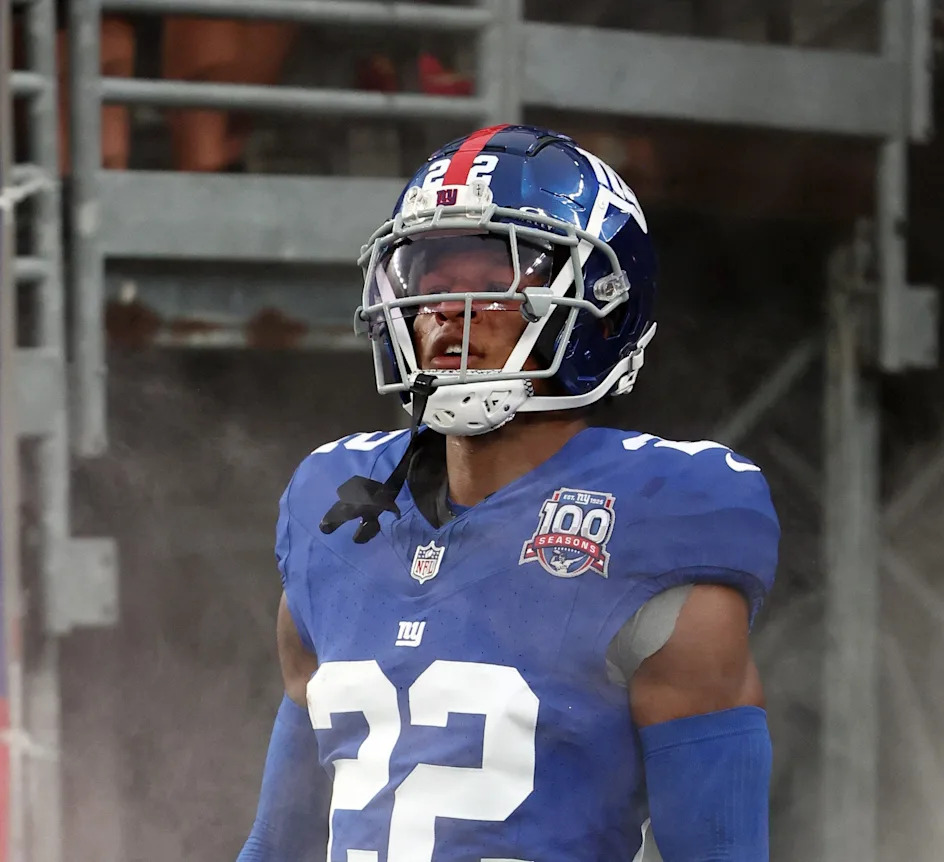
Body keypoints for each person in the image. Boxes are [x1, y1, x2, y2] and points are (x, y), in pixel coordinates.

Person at [238, 124, 780, 862]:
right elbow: (278, 845)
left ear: (601, 304)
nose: (447, 312)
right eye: (432, 280)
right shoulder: (335, 513)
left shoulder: (656, 520)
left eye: (493, 281)